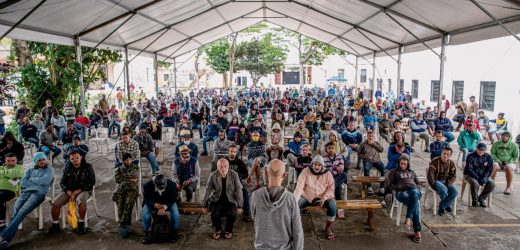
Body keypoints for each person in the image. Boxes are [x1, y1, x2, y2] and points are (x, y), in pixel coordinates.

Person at [0, 152, 53, 248]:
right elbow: (23, 183)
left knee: (22, 212)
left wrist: (31, 179)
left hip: (38, 193)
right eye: (39, 160)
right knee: (16, 211)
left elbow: (44, 181)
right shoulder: (30, 170)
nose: (42, 161)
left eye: (43, 159)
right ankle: (4, 240)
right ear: (35, 161)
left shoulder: (49, 170)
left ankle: (3, 236)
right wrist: (36, 180)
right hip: (26, 192)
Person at [251, 159, 303, 249]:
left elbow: (254, 217)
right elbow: (297, 230)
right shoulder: (291, 198)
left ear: (266, 174)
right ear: (285, 175)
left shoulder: (256, 195)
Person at [46, 149, 95, 235]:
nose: (75, 160)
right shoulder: (67, 167)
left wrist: (80, 190)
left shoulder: (88, 167)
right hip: (70, 191)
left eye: (77, 158)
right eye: (72, 158)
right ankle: (55, 224)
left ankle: (81, 223)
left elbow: (91, 182)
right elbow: (62, 182)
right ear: (69, 159)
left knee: (81, 202)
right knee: (55, 204)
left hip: (84, 190)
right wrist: (67, 190)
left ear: (81, 157)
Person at [294, 155, 336, 241]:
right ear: (312, 164)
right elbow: (299, 187)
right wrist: (294, 200)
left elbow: (331, 189)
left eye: (319, 165)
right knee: (296, 205)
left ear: (322, 166)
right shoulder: (305, 171)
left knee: (333, 204)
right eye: (315, 164)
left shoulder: (328, 173)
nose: (316, 167)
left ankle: (328, 227)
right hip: (307, 196)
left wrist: (324, 198)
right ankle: (295, 227)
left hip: (322, 197)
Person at [202, 159, 243, 240]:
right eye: (221, 167)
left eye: (225, 166)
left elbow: (238, 190)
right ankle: (218, 229)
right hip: (217, 199)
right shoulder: (213, 175)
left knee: (231, 214)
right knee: (214, 214)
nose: (223, 169)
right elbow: (208, 190)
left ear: (228, 167)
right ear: (217, 167)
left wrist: (240, 206)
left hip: (230, 199)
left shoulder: (234, 174)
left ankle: (228, 230)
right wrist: (204, 205)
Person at [386, 155, 422, 243]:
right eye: (401, 164)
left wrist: (415, 187)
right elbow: (390, 185)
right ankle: (417, 231)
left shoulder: (412, 172)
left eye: (405, 164)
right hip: (401, 192)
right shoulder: (393, 172)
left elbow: (418, 183)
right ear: (398, 163)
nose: (403, 166)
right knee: (415, 204)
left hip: (413, 190)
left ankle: (408, 218)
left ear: (408, 164)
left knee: (414, 193)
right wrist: (401, 186)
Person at [141, 174, 180, 244]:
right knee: (145, 214)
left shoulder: (172, 185)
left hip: (167, 202)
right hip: (153, 203)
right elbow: (146, 199)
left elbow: (174, 198)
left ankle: (175, 232)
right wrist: (154, 204)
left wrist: (165, 207)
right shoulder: (147, 185)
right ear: (154, 184)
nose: (161, 190)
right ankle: (147, 233)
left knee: (175, 214)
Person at [113, 153, 139, 238]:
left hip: (132, 189)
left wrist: (124, 178)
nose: (128, 161)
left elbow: (135, 177)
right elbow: (117, 179)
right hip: (122, 189)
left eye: (130, 159)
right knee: (120, 203)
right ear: (123, 161)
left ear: (132, 159)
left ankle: (122, 224)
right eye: (126, 160)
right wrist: (130, 179)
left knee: (128, 203)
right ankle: (124, 224)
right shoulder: (119, 168)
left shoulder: (135, 167)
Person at [427, 147, 458, 215]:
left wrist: (448, 183)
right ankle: (444, 206)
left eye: (447, 154)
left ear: (450, 155)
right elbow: (430, 175)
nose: (445, 155)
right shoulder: (434, 161)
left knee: (455, 192)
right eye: (444, 153)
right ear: (441, 153)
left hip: (446, 182)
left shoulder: (451, 163)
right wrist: (433, 185)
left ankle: (443, 205)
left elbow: (453, 176)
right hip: (436, 181)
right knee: (444, 190)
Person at [464, 143, 495, 207]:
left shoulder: (488, 157)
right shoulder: (470, 156)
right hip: (470, 175)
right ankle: (474, 201)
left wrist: (484, 178)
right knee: (475, 183)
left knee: (492, 183)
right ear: (476, 149)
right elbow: (470, 170)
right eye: (479, 149)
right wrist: (478, 178)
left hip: (483, 175)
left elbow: (489, 170)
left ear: (485, 150)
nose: (481, 151)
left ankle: (481, 199)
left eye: (483, 150)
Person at [0, 153, 24, 228]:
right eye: (8, 161)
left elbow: (14, 174)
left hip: (10, 191)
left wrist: (3, 173)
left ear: (16, 160)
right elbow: (11, 175)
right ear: (5, 161)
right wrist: (8, 175)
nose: (10, 162)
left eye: (13, 160)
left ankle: (2, 221)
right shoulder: (1, 167)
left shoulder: (19, 168)